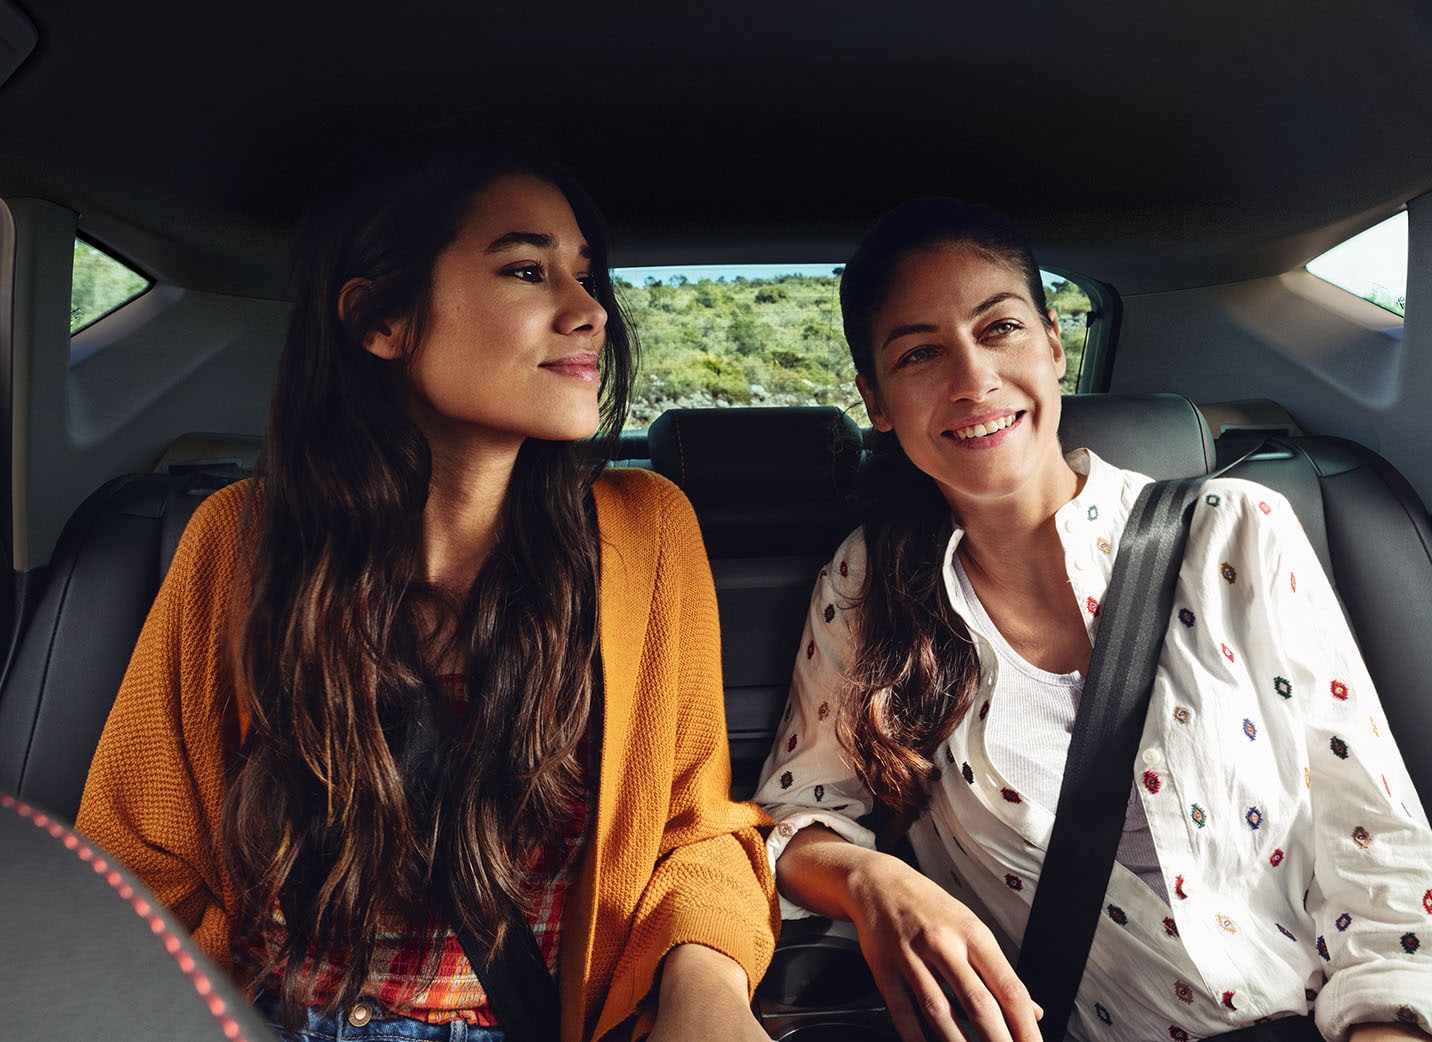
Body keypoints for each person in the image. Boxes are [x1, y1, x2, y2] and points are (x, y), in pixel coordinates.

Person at [76, 133, 777, 1042]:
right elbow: (137, 855)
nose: (590, 311)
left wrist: (707, 996)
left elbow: (696, 828)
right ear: (381, 321)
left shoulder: (646, 534)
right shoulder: (240, 540)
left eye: (586, 274)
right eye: (528, 272)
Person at [754, 197, 1432, 1042]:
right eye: (921, 352)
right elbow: (794, 820)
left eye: (998, 328)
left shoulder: (1235, 527)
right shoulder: (868, 585)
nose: (973, 381)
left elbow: (1378, 850)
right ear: (877, 401)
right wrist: (872, 880)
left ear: (1053, 343)